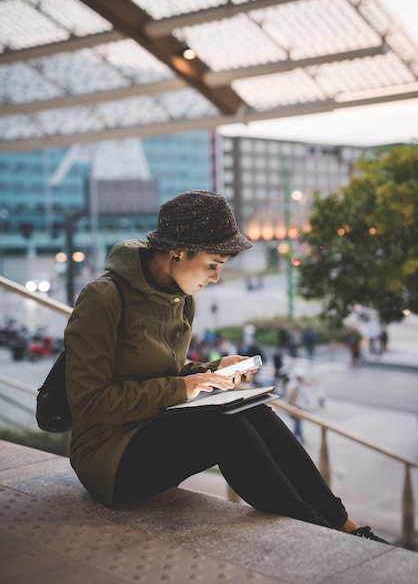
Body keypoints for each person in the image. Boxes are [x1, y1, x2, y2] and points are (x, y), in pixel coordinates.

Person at [64, 189, 388, 544]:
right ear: (177, 250)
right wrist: (182, 388)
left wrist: (213, 370)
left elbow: (159, 367)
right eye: (213, 264)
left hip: (152, 428)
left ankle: (344, 525)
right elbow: (87, 402)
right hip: (108, 456)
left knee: (252, 410)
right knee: (225, 429)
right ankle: (316, 533)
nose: (215, 277)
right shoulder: (104, 297)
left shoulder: (179, 296)